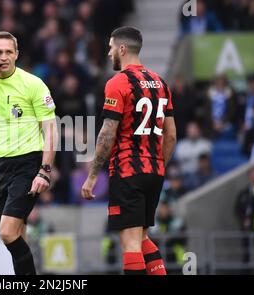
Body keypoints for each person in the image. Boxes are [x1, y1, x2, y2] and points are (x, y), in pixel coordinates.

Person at [81, 27, 177, 275]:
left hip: (127, 172)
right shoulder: (160, 83)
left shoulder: (118, 83)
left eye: (111, 47)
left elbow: (107, 132)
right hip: (154, 171)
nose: (109, 52)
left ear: (122, 49)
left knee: (130, 243)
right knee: (143, 239)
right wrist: (159, 164)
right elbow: (172, 134)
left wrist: (92, 175)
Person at [0, 31, 58, 275]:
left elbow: (51, 130)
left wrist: (45, 171)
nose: (3, 57)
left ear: (16, 54)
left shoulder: (32, 84)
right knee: (17, 235)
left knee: (6, 232)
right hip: (1, 165)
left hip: (29, 163)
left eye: (8, 51)